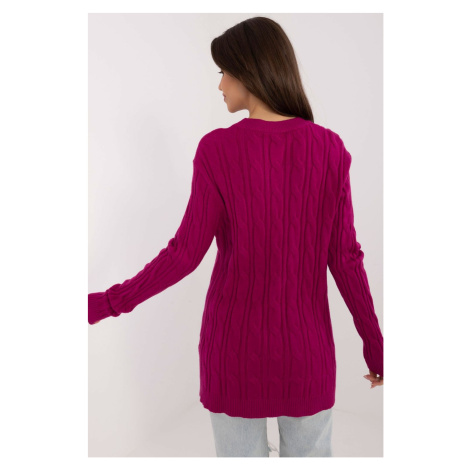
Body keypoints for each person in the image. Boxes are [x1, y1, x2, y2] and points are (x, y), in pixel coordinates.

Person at [89, 16, 384, 457]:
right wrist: (376, 347)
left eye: (224, 72)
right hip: (307, 355)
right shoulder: (329, 149)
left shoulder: (217, 149)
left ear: (249, 71)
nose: (220, 85)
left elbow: (183, 254)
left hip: (233, 352)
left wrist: (105, 303)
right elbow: (346, 259)